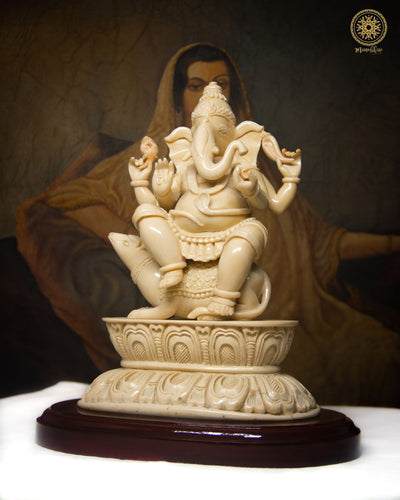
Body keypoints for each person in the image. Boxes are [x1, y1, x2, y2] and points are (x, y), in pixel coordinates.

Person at [16, 43, 400, 406]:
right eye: (196, 85)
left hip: (236, 254)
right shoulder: (170, 157)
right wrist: (150, 189)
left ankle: (223, 301)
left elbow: (306, 229)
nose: (206, 94)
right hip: (180, 252)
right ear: (178, 100)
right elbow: (93, 198)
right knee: (145, 216)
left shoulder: (248, 165)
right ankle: (171, 274)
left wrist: (287, 178)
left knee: (255, 242)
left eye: (221, 84)